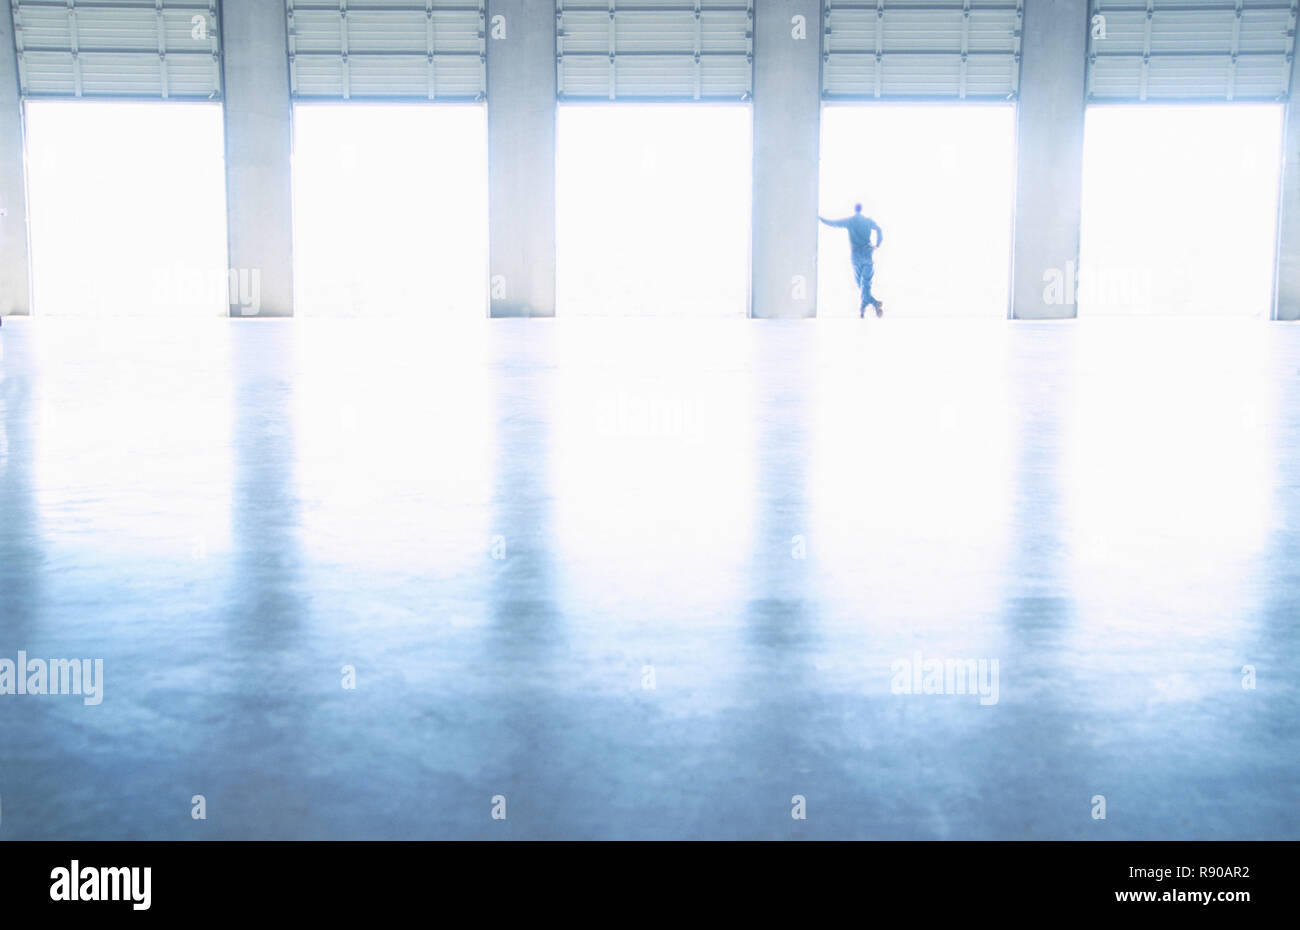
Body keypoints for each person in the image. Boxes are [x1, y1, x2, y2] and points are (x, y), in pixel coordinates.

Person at [819, 205, 884, 318]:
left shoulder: (850, 221)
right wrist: (877, 244)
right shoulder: (868, 221)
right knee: (865, 284)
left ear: (855, 210)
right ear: (862, 209)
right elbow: (879, 229)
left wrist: (820, 218)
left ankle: (863, 309)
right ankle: (872, 304)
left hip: (856, 255)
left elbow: (834, 223)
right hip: (868, 253)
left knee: (861, 284)